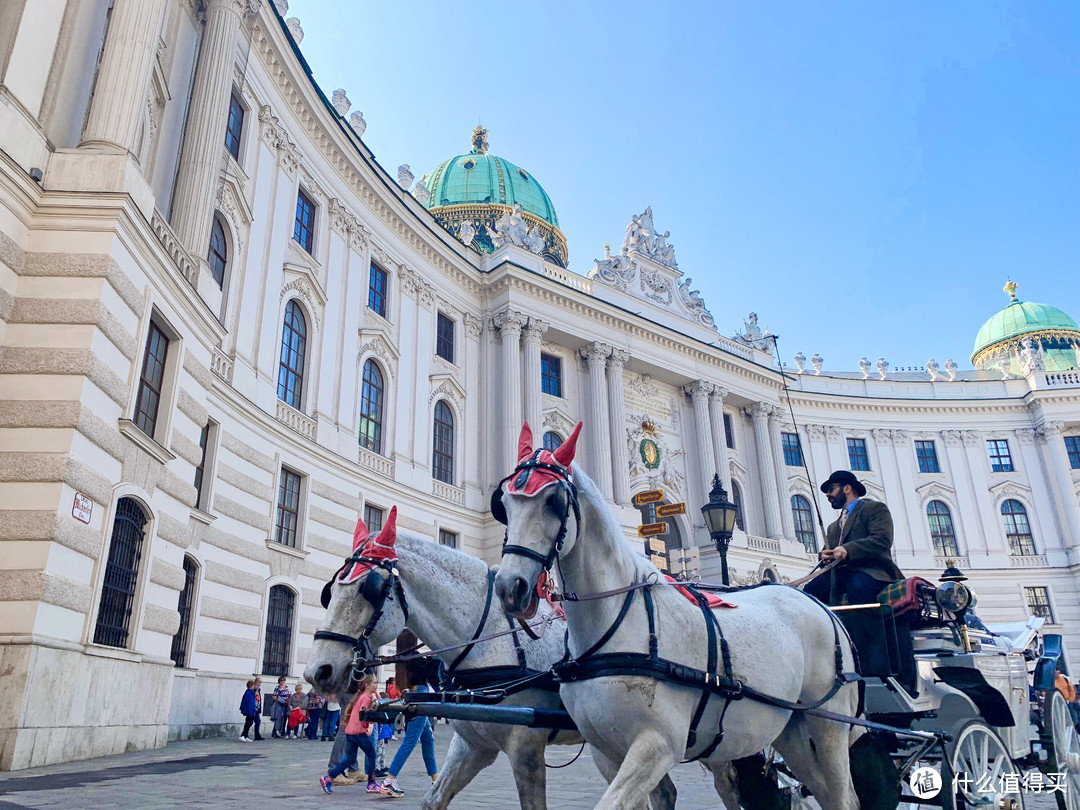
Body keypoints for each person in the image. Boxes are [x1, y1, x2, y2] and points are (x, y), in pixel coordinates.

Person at [805, 470, 904, 607]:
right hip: (840, 575)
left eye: (831, 489)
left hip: (872, 571)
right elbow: (828, 553)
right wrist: (824, 556)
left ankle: (865, 629)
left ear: (847, 488)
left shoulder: (874, 508)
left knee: (858, 586)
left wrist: (847, 550)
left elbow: (882, 540)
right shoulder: (833, 527)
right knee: (810, 592)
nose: (827, 494)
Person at [380, 662, 439, 798]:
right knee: (410, 742)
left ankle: (435, 779)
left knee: (428, 740)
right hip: (421, 697)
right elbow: (434, 676)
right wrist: (433, 659)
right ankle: (389, 779)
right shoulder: (417, 661)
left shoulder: (404, 660)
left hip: (415, 696)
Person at [320, 675, 382, 795]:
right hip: (358, 732)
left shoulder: (361, 696)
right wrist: (369, 724)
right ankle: (371, 784)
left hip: (350, 731)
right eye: (374, 683)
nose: (377, 685)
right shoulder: (366, 698)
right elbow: (363, 713)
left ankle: (328, 778)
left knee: (350, 759)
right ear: (367, 685)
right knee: (372, 754)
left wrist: (375, 695)